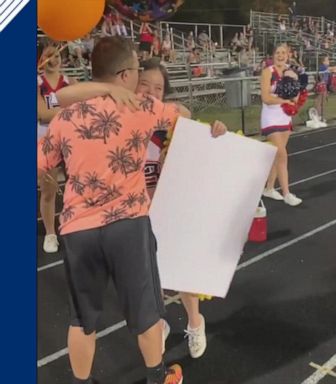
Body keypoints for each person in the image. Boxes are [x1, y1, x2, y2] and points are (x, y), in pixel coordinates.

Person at [56, 58, 227, 360]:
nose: (150, 92)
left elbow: (188, 117)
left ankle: (194, 321)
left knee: (182, 269)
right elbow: (63, 98)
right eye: (143, 84)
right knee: (150, 278)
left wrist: (213, 130)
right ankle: (157, 324)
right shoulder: (115, 121)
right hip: (134, 217)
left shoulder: (168, 123)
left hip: (170, 209)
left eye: (158, 88)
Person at [37, 36, 183, 384]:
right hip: (128, 224)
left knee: (81, 319)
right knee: (144, 312)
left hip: (77, 229)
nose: (137, 77)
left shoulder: (64, 116)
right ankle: (158, 377)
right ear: (123, 74)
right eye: (134, 70)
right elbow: (185, 117)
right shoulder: (142, 108)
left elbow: (43, 163)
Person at [38, 44, 76, 253]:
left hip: (70, 138)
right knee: (48, 189)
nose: (54, 59)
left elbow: (80, 107)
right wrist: (66, 110)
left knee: (76, 184)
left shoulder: (71, 82)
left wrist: (57, 110)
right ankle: (50, 234)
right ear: (41, 60)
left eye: (57, 54)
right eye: (48, 55)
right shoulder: (36, 82)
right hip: (46, 138)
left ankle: (72, 225)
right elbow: (42, 114)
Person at [260, 44, 302, 206]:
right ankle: (287, 193)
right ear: (273, 55)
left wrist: (295, 87)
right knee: (282, 155)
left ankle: (269, 188)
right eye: (277, 52)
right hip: (270, 117)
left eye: (283, 53)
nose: (280, 55)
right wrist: (284, 100)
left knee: (277, 156)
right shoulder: (267, 72)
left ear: (288, 55)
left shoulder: (291, 72)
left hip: (285, 117)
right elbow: (266, 98)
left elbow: (296, 98)